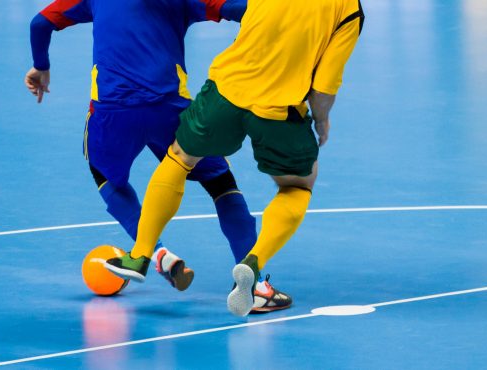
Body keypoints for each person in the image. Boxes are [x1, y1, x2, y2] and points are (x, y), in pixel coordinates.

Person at [24, 0, 293, 313]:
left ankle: (154, 253)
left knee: (105, 176)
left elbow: (39, 24)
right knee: (220, 182)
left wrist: (41, 66)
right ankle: (255, 286)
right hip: (170, 111)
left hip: (113, 114)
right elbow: (242, 9)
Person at [106, 0, 365, 316]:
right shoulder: (349, 9)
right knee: (297, 185)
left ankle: (140, 253)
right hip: (279, 110)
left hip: (225, 93)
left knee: (179, 157)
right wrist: (321, 120)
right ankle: (252, 265)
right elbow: (324, 87)